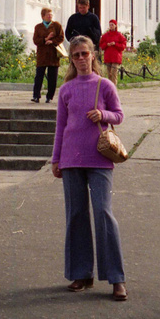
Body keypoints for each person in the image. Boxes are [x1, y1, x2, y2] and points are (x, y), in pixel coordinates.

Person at [51, 35, 127, 301]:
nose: (81, 59)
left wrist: (103, 115)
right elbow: (60, 127)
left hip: (99, 158)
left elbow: (118, 114)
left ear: (94, 55)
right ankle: (81, 274)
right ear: (71, 60)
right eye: (76, 55)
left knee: (104, 213)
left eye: (85, 54)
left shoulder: (105, 85)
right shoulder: (66, 90)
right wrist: (55, 159)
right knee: (76, 216)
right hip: (71, 158)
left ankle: (117, 279)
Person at [32, 7, 64, 103]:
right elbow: (35, 40)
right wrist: (45, 39)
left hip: (53, 55)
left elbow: (61, 37)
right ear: (43, 16)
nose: (50, 16)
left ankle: (49, 96)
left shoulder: (56, 26)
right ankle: (36, 95)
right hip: (42, 55)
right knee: (39, 76)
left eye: (51, 15)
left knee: (52, 77)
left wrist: (52, 41)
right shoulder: (38, 27)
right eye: (48, 15)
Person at [99, 19, 127, 85]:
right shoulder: (105, 35)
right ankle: (109, 86)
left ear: (115, 26)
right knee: (109, 74)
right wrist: (106, 44)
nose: (111, 26)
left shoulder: (119, 35)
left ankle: (114, 86)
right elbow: (101, 45)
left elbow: (123, 46)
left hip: (116, 57)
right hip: (108, 57)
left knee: (114, 73)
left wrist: (115, 44)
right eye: (110, 25)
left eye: (112, 25)